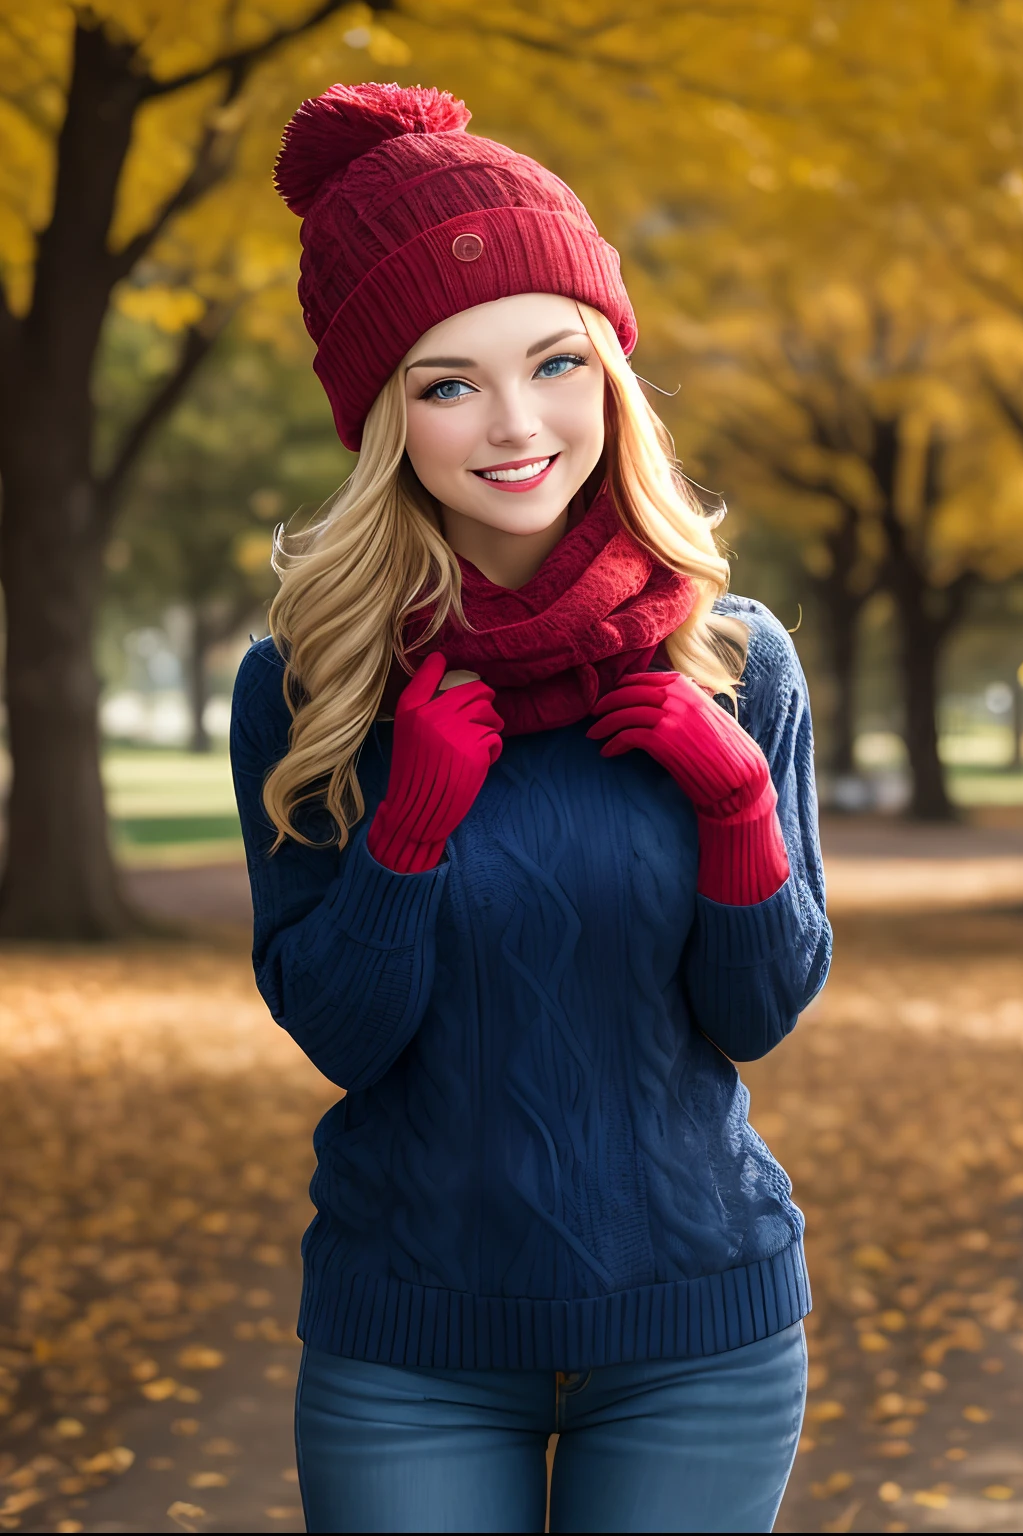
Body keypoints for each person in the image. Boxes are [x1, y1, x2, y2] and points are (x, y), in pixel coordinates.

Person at [228, 84, 830, 1533]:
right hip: (410, 1343)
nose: (515, 425)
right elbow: (342, 1032)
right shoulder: (307, 685)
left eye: (554, 361)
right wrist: (408, 829)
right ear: (383, 418)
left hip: (699, 1333)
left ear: (611, 371)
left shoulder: (737, 660)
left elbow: (757, 1012)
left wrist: (738, 804)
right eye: (447, 384)